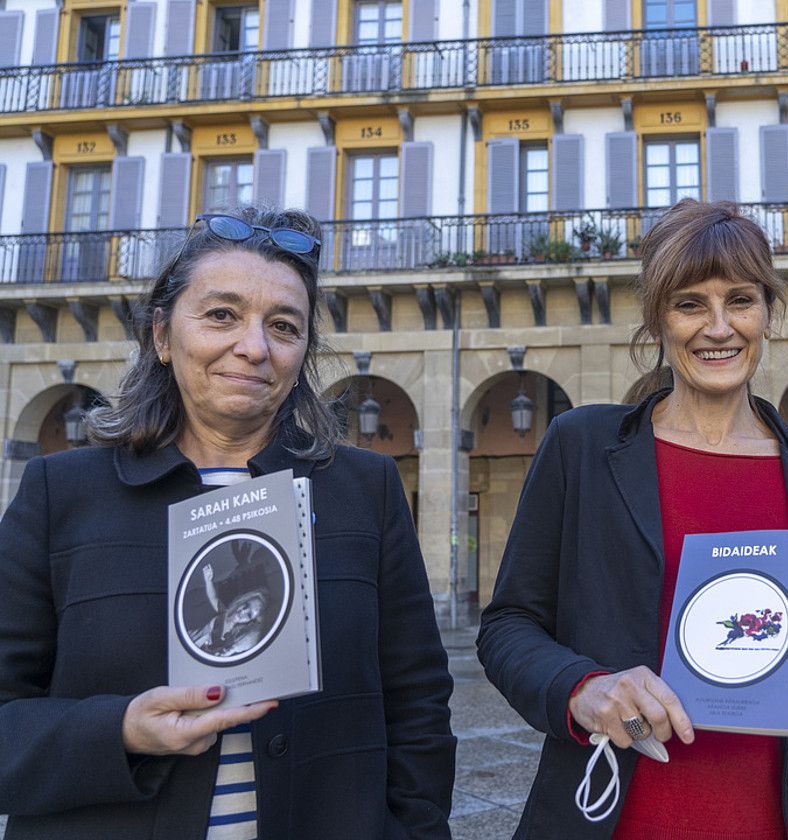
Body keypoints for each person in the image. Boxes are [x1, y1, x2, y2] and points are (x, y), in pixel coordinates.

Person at [0, 208, 456, 838]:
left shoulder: (364, 491)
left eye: (284, 326)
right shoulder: (62, 493)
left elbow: (419, 704)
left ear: (303, 352)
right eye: (221, 315)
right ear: (162, 335)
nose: (254, 346)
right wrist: (122, 730)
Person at [477, 199, 788, 839]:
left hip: (776, 820)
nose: (719, 327)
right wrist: (583, 690)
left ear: (767, 311)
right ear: (658, 319)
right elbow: (508, 626)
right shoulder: (582, 448)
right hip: (615, 817)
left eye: (740, 300)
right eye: (690, 304)